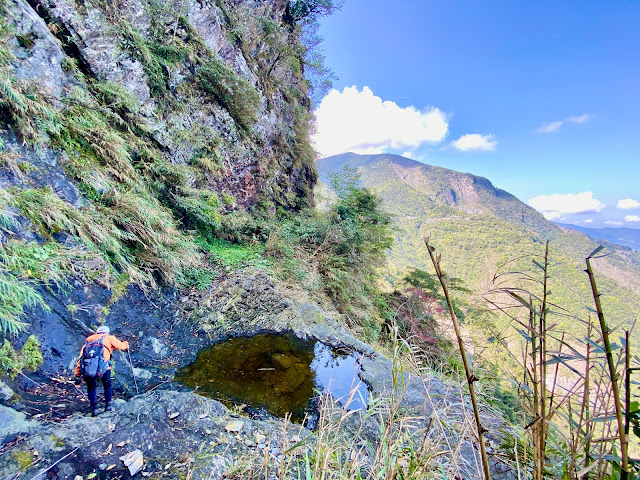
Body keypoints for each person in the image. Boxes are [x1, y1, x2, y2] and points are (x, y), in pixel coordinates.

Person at [74, 325, 130, 416]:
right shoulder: (109, 338)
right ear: (106, 332)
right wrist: (126, 344)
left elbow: (80, 359)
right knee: (107, 385)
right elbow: (121, 346)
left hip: (89, 369)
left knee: (91, 388)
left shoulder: (87, 343)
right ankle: (108, 406)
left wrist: (77, 374)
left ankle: (94, 409)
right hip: (104, 367)